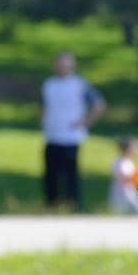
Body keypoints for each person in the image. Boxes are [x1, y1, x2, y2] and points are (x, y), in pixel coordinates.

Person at [40, 51, 106, 211]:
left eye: (65, 63)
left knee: (71, 175)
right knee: (50, 175)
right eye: (59, 63)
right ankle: (52, 205)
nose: (62, 67)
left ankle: (74, 205)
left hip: (70, 137)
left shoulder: (79, 84)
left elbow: (98, 104)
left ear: (72, 65)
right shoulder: (49, 85)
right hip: (52, 136)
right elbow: (45, 107)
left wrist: (84, 122)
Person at [109, 136, 138, 216]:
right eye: (134, 148)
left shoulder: (129, 162)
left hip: (131, 190)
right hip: (121, 192)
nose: (136, 151)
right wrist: (137, 175)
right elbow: (121, 176)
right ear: (127, 149)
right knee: (121, 213)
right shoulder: (120, 162)